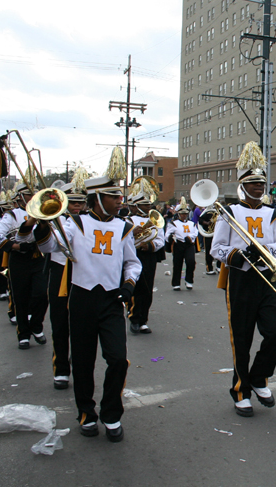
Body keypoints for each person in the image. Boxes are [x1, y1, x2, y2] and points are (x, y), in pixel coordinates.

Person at [31, 158, 141, 442]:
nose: (119, 200)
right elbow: (47, 247)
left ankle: (111, 413)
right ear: (97, 199)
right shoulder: (73, 224)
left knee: (117, 359)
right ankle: (86, 413)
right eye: (113, 196)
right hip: (81, 298)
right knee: (82, 362)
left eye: (118, 195)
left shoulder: (125, 227)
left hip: (112, 300)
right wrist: (43, 225)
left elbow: (133, 263)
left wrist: (128, 286)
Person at [211, 142, 276, 417]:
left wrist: (268, 252)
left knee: (274, 335)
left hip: (268, 279)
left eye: (262, 183)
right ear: (243, 186)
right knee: (241, 340)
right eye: (254, 183)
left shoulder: (273, 213)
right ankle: (241, 391)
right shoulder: (229, 213)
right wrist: (240, 254)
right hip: (241, 280)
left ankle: (258, 377)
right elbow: (216, 249)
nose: (259, 187)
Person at [0, 182, 49, 350]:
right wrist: (16, 246)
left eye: (35, 193)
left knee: (41, 294)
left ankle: (36, 326)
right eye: (29, 194)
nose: (33, 197)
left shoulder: (44, 211)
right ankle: (23, 334)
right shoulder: (13, 215)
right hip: (19, 259)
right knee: (20, 297)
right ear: (21, 197)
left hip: (39, 257)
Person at [46, 180, 87, 390]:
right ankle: (61, 368)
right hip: (60, 273)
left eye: (80, 202)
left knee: (82, 326)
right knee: (60, 323)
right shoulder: (54, 220)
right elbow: (47, 246)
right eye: (72, 202)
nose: (76, 206)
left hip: (83, 275)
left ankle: (80, 369)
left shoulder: (88, 222)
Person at [128, 191, 165, 334]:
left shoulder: (154, 219)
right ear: (137, 206)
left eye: (148, 204)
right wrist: (132, 233)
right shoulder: (128, 220)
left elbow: (160, 239)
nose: (147, 207)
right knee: (136, 287)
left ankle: (143, 320)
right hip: (133, 255)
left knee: (147, 288)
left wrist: (149, 246)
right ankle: (134, 318)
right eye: (143, 205)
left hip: (148, 256)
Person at [165, 197, 199, 291]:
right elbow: (167, 234)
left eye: (185, 214)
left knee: (191, 262)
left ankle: (189, 281)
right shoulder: (173, 223)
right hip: (178, 244)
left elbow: (195, 233)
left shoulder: (191, 224)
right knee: (177, 264)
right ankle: (176, 283)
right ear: (179, 214)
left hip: (189, 244)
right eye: (182, 214)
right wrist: (170, 238)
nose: (184, 215)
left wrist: (190, 237)